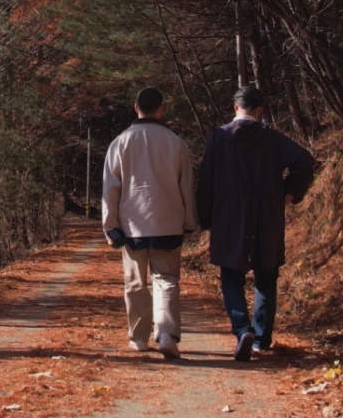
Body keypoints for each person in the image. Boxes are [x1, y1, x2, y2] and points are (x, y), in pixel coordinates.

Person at [197, 86, 317, 361]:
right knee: (266, 275)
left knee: (231, 275)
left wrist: (205, 217)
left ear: (235, 106)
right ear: (260, 109)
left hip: (229, 215)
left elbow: (207, 181)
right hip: (266, 213)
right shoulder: (272, 138)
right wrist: (290, 191)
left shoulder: (219, 137)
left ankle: (242, 329)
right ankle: (261, 340)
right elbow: (304, 160)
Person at [102, 87, 197, 359]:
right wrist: (189, 223)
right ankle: (166, 334)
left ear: (136, 107)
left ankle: (139, 338)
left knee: (135, 283)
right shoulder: (175, 142)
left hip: (132, 226)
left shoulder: (120, 142)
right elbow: (186, 186)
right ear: (161, 109)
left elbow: (111, 187)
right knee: (166, 280)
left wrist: (110, 225)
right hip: (168, 222)